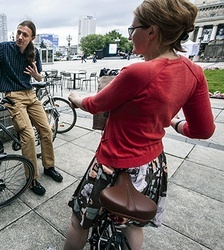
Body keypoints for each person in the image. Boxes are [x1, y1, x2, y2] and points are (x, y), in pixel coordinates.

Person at [64, 0, 215, 249]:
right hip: (151, 166)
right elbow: (204, 130)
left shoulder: (137, 73)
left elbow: (96, 104)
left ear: (152, 31)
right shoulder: (194, 72)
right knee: (132, 224)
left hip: (113, 162)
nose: (131, 35)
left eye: (133, 29)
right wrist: (176, 124)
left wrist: (76, 98)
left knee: (80, 220)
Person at [0, 20, 63, 196]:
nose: (20, 37)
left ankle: (49, 166)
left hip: (30, 94)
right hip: (13, 96)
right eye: (19, 32)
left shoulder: (34, 52)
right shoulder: (5, 48)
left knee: (46, 129)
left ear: (32, 38)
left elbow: (38, 78)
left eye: (25, 34)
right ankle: (31, 179)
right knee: (28, 135)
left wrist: (36, 75)